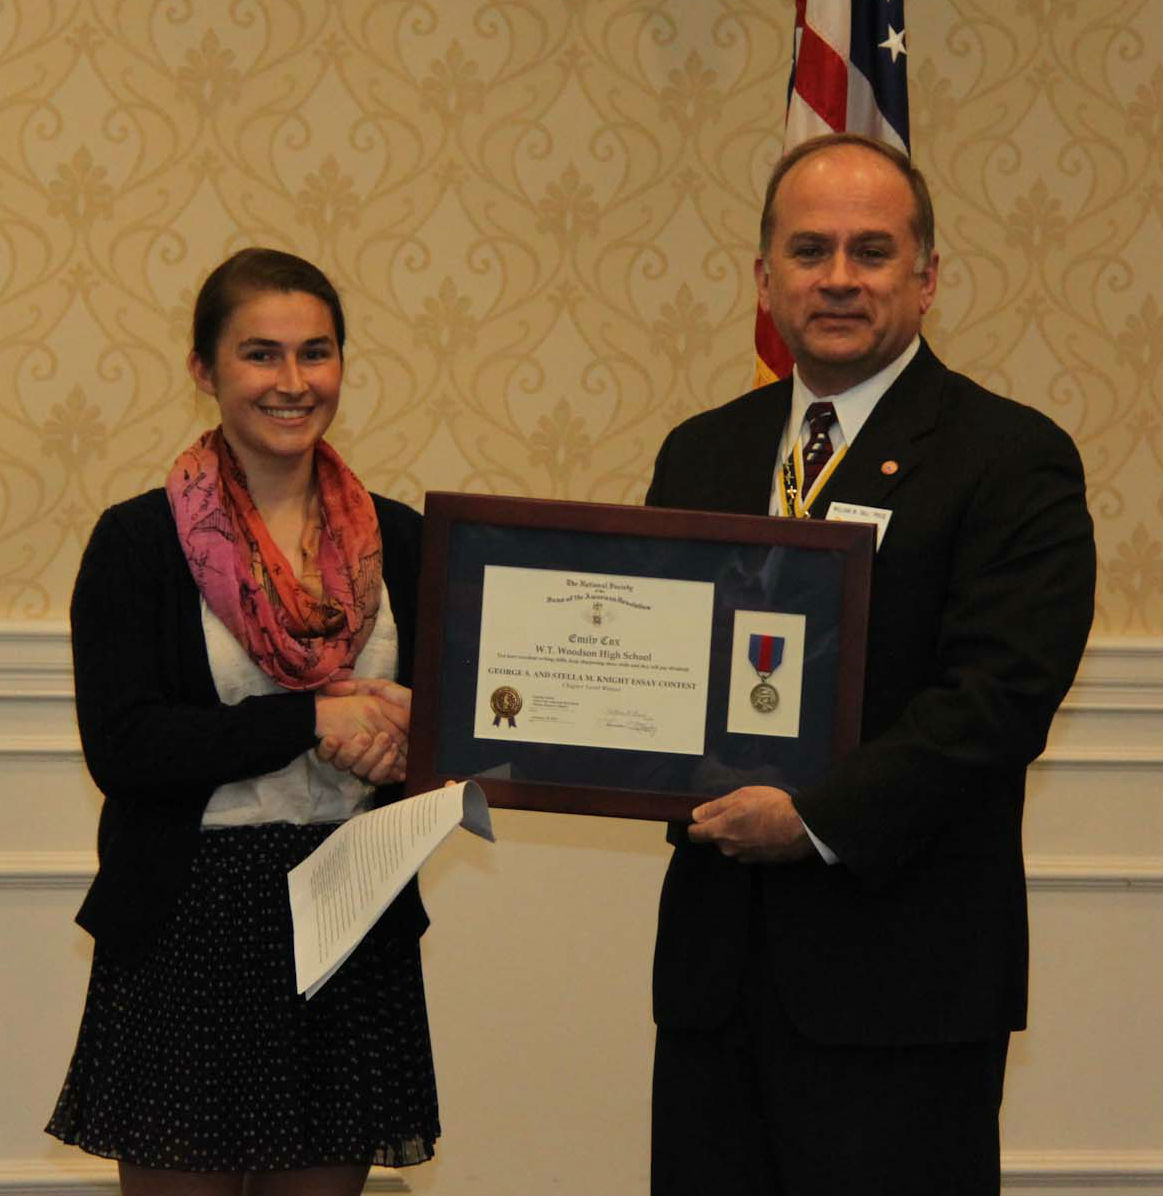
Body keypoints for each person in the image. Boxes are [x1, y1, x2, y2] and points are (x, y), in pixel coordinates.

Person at [645, 133, 1096, 1196]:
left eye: (871, 251)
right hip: (715, 981)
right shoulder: (700, 450)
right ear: (764, 279)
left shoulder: (1007, 455)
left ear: (926, 276)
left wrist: (809, 817)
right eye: (807, 250)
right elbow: (652, 665)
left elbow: (998, 697)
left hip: (904, 984)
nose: (837, 277)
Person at [46, 249, 439, 1196]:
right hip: (191, 921)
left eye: (317, 353)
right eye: (261, 355)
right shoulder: (137, 542)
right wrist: (313, 718)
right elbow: (127, 748)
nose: (293, 383)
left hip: (352, 916)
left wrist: (411, 736)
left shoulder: (407, 539)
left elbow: (450, 734)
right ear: (204, 370)